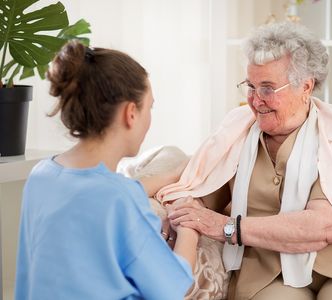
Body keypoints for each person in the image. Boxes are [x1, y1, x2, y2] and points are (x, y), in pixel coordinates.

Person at [159, 22, 332, 299]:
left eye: (267, 88)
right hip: (267, 272)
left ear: (306, 86)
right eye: (250, 86)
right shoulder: (238, 129)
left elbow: (323, 227)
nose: (255, 100)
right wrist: (183, 211)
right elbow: (198, 183)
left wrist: (226, 227)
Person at [15, 40, 199, 300]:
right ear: (131, 113)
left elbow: (90, 196)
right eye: (150, 107)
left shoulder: (42, 175)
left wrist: (170, 175)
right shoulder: (119, 199)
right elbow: (172, 289)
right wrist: (191, 228)